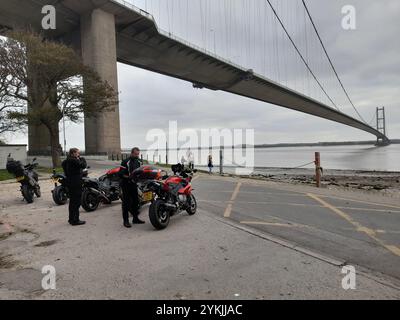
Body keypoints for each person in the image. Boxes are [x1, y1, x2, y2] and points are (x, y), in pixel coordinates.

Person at [120, 147, 144, 228]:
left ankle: (135, 219)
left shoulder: (139, 161)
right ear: (132, 153)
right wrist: (128, 177)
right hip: (126, 184)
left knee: (136, 202)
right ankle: (126, 221)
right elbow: (121, 174)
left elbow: (141, 172)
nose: (137, 155)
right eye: (136, 154)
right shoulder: (125, 162)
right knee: (126, 203)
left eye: (138, 154)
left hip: (134, 184)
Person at [62, 148, 87, 226]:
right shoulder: (74, 160)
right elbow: (83, 165)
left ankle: (71, 219)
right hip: (75, 182)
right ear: (73, 153)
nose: (78, 154)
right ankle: (75, 220)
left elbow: (63, 166)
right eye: (77, 153)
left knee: (72, 202)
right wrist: (82, 159)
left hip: (70, 181)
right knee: (76, 201)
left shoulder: (66, 161)